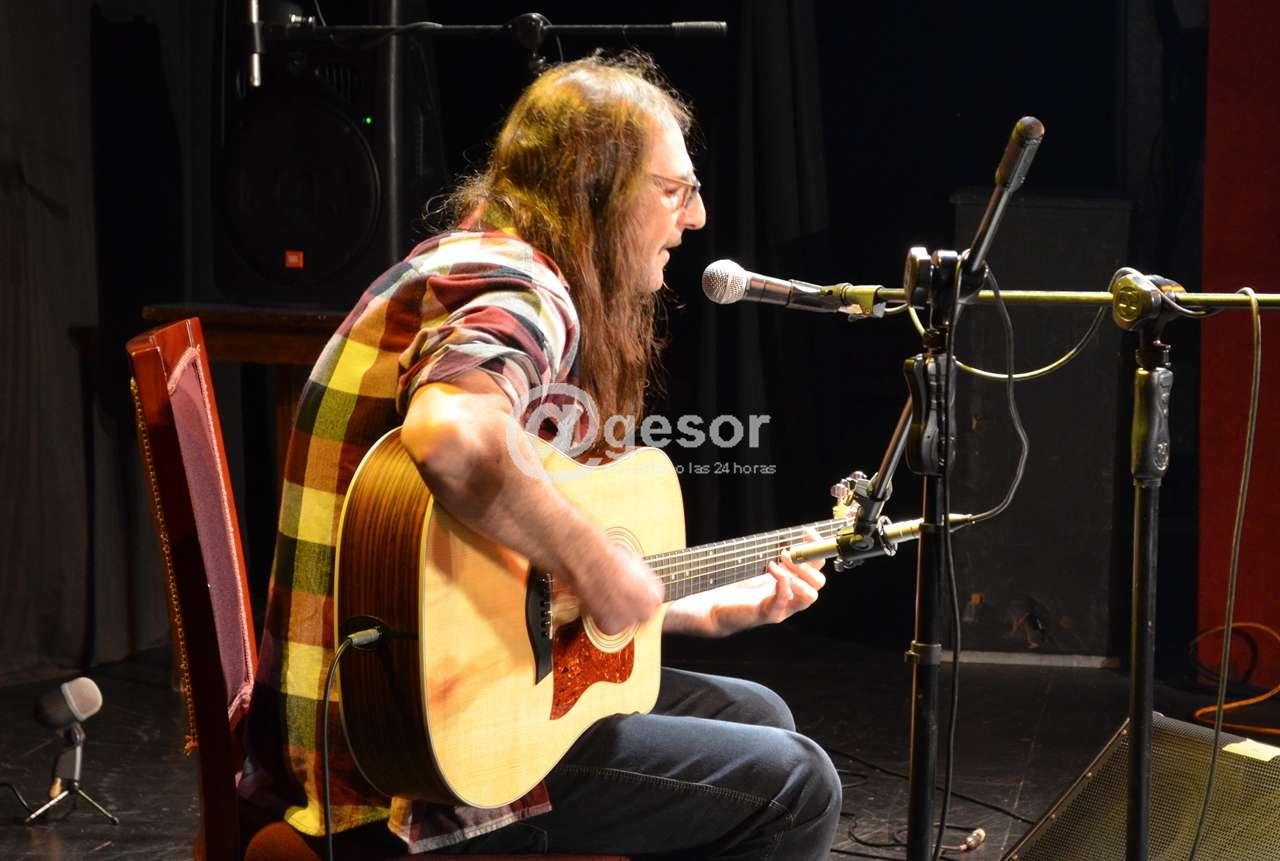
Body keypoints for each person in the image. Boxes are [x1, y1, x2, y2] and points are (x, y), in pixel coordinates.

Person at [240, 52, 842, 859]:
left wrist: (686, 607)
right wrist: (599, 562)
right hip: (391, 769)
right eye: (675, 190)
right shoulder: (519, 289)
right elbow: (455, 438)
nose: (696, 218)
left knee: (759, 716)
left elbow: (491, 572)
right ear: (597, 190)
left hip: (397, 706)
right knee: (798, 785)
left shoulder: (468, 262)